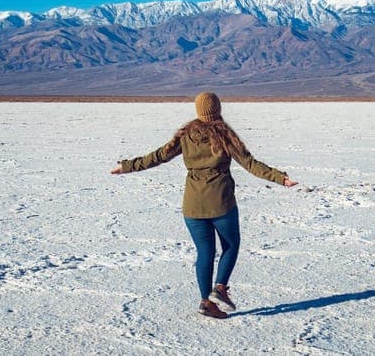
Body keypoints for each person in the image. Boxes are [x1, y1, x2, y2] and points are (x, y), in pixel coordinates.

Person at [110, 91, 298, 319]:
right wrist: (280, 178)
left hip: (192, 205)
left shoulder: (185, 134)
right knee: (230, 246)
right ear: (218, 109)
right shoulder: (225, 135)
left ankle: (206, 303)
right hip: (221, 203)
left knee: (205, 253)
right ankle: (219, 288)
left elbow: (158, 156)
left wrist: (127, 166)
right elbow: (250, 163)